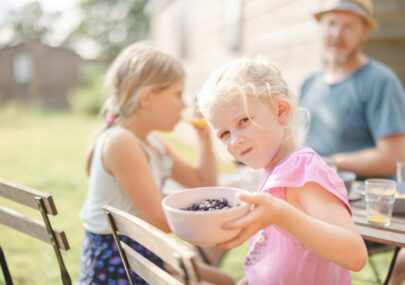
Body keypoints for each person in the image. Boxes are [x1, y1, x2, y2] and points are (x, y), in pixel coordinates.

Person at [195, 57, 368, 284]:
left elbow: (355, 254)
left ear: (280, 110)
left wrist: (281, 214)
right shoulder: (274, 171)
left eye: (243, 121)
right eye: (224, 133)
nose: (234, 140)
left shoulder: (303, 169)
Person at [78, 42, 234, 285]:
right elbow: (160, 220)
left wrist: (204, 138)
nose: (183, 104)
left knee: (224, 278)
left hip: (144, 254)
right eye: (176, 94)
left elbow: (202, 184)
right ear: (147, 98)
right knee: (223, 279)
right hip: (119, 268)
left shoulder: (152, 143)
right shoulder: (121, 142)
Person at [299, 0, 405, 179]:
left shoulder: (381, 82)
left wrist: (327, 163)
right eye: (331, 24)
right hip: (311, 194)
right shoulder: (309, 84)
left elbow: (395, 157)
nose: (337, 35)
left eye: (348, 27)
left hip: (360, 201)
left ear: (364, 32)